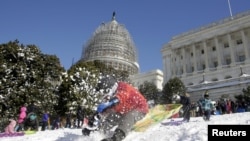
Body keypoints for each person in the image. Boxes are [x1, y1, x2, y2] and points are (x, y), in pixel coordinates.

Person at [95, 75, 149, 141]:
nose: (105, 96)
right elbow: (109, 109)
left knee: (129, 116)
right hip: (125, 110)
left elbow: (123, 96)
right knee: (111, 117)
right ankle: (98, 131)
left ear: (110, 87)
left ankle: (117, 137)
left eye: (106, 93)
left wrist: (116, 99)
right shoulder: (112, 94)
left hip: (140, 108)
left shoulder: (123, 86)